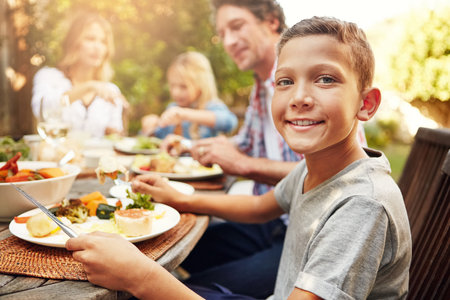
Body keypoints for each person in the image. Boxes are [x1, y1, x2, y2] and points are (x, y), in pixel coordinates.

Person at [66, 16, 412, 299]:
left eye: (325, 79)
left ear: (365, 104)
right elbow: (260, 208)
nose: (299, 97)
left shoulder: (361, 203)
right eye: (285, 81)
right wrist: (177, 196)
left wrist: (140, 277)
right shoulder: (317, 167)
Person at [164, 1, 366, 298]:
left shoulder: (314, 95)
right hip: (273, 218)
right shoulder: (261, 87)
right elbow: (244, 145)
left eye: (236, 26)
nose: (229, 41)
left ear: (271, 22)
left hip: (306, 235)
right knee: (174, 244)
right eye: (222, 33)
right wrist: (190, 147)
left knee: (177, 284)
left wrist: (245, 166)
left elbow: (335, 174)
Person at [31, 12, 129, 138]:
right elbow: (43, 110)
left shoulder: (110, 90)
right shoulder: (49, 77)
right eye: (90, 39)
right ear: (74, 43)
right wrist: (88, 87)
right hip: (56, 156)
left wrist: (115, 132)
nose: (98, 47)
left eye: (103, 42)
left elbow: (115, 135)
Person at [140, 51, 238, 140]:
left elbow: (230, 122)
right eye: (172, 85)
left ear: (201, 85)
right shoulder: (172, 108)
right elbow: (159, 136)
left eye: (183, 86)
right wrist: (150, 126)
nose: (175, 92)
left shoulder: (211, 107)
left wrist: (185, 114)